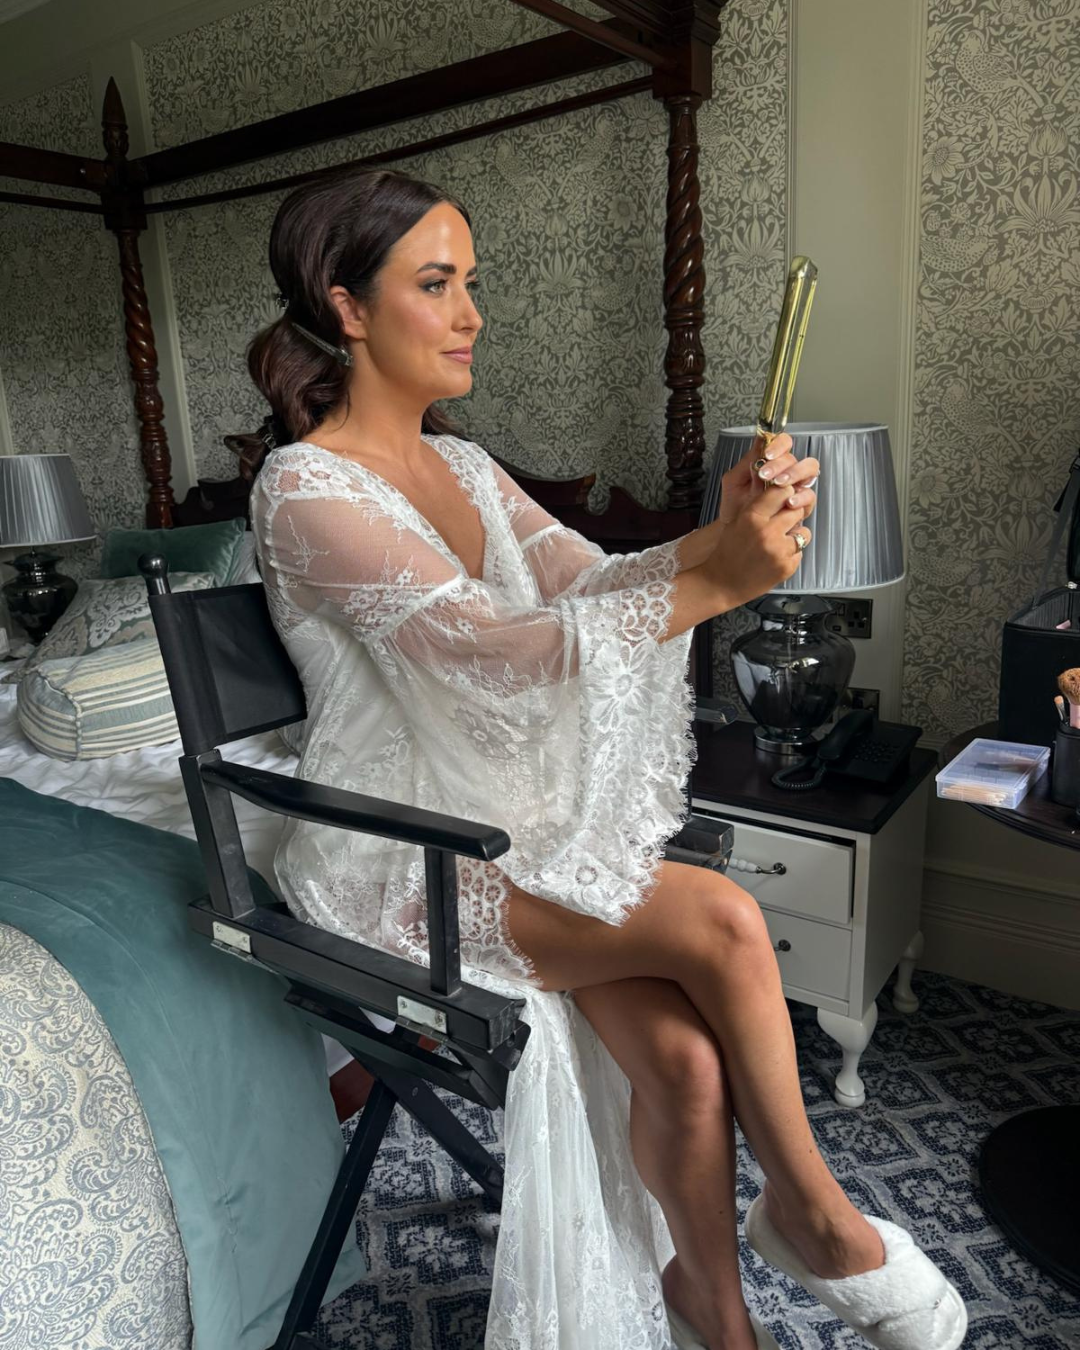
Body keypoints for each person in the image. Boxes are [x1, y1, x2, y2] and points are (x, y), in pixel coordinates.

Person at [236, 166, 967, 1350]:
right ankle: (818, 1221)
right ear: (348, 307)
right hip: (395, 855)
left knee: (684, 1060)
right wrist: (717, 585)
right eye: (437, 284)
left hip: (501, 828)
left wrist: (720, 532)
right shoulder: (303, 488)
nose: (473, 314)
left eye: (472, 283)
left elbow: (592, 579)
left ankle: (713, 1311)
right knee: (723, 921)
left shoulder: (463, 467)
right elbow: (492, 651)